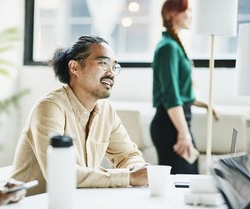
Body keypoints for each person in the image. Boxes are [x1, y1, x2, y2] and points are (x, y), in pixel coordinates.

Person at [11, 35, 148, 196]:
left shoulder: (106, 111)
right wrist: (129, 177)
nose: (111, 73)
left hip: (78, 205)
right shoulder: (50, 107)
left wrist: (137, 169)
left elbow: (128, 155)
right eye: (103, 63)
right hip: (32, 208)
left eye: (114, 66)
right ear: (75, 67)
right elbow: (59, 173)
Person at [150, 0, 218, 174]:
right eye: (187, 11)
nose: (191, 16)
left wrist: (206, 105)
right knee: (182, 182)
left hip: (177, 123)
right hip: (170, 125)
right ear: (173, 14)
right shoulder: (168, 48)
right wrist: (183, 134)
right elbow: (171, 97)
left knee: (189, 176)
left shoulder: (173, 45)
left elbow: (181, 93)